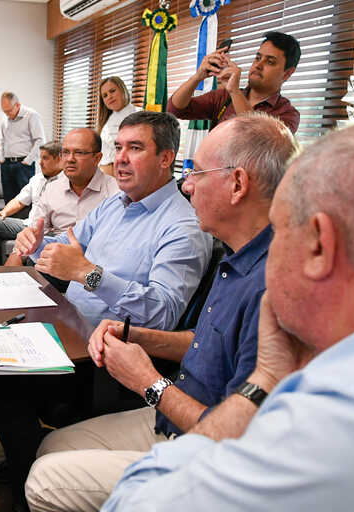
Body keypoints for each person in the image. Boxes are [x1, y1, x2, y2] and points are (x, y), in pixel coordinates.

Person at [101, 122, 354, 511]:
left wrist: (153, 382)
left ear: (320, 244)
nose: (270, 250)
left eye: (282, 228)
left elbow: (139, 503)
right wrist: (141, 339)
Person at [25, 113, 299, 512]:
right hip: (176, 408)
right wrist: (132, 335)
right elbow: (201, 341)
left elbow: (238, 437)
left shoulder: (274, 284)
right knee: (50, 444)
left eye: (198, 173)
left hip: (206, 446)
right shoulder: (236, 257)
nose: (187, 185)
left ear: (238, 184)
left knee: (44, 481)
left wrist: (148, 381)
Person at [16, 111, 212, 329]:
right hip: (67, 324)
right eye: (118, 148)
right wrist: (36, 245)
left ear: (165, 159)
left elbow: (163, 316)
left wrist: (89, 275)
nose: (120, 158)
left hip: (103, 350)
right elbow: (66, 248)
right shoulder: (114, 204)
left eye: (135, 148)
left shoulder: (184, 227)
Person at [5, 128, 119, 269]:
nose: (70, 159)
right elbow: (35, 233)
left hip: (94, 268)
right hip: (53, 264)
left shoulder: (116, 193)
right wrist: (17, 252)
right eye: (65, 152)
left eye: (79, 152)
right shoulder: (52, 189)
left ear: (97, 158)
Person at [167, 31, 301, 134]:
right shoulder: (223, 97)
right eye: (257, 58)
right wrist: (197, 76)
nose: (258, 65)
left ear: (287, 73)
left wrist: (235, 92)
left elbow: (257, 138)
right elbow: (175, 109)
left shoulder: (288, 114)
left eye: (270, 62)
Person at [0, 140, 63, 266]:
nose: (40, 162)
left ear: (59, 159)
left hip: (48, 230)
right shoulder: (36, 179)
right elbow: (19, 201)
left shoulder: (66, 182)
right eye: (40, 158)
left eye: (45, 158)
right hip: (27, 225)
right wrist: (4, 212)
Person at [0, 92, 46, 203]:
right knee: (8, 201)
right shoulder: (5, 118)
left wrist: (28, 161)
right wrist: (1, 158)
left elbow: (40, 140)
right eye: (4, 111)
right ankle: (8, 221)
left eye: (9, 110)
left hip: (23, 166)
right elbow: (3, 140)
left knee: (25, 201)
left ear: (18, 105)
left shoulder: (31, 115)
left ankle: (25, 221)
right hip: (6, 165)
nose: (7, 114)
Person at [97, 76, 140, 177]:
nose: (109, 97)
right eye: (105, 95)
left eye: (112, 91)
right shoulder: (105, 122)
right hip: (106, 178)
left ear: (123, 89)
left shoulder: (139, 115)